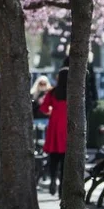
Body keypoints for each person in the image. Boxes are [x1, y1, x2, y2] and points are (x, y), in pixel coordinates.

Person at [39, 65, 68, 196]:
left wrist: (52, 111)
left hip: (55, 127)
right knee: (65, 160)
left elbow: (43, 108)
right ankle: (62, 187)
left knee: (53, 157)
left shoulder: (52, 92)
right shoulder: (74, 93)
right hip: (67, 127)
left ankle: (52, 181)